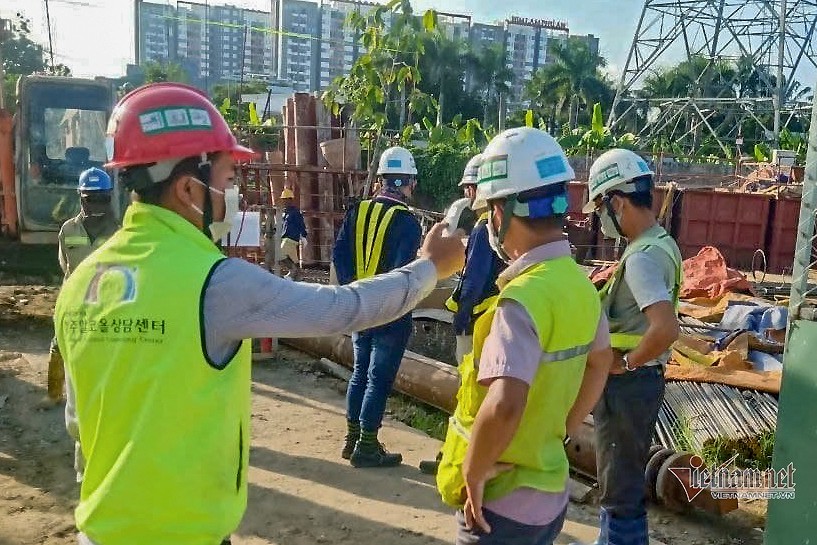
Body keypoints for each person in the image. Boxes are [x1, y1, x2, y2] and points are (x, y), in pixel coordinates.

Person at [54, 83, 465, 545]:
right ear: (189, 187)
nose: (235, 197)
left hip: (100, 528)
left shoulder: (81, 282)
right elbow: (343, 309)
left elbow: (79, 423)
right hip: (184, 531)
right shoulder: (215, 283)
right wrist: (430, 268)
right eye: (228, 181)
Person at [436, 127, 613, 545]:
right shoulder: (580, 285)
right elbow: (601, 360)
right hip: (550, 497)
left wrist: (473, 471)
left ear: (501, 214)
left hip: (501, 502)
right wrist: (565, 426)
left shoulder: (520, 299)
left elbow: (505, 403)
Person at [580, 148, 682, 545]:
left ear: (617, 202)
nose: (600, 220)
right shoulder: (661, 243)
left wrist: (629, 363)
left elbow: (665, 327)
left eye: (601, 209)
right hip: (642, 382)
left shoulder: (640, 258)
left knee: (619, 489)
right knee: (621, 482)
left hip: (629, 386)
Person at [332, 146, 424, 468]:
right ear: (407, 182)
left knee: (359, 374)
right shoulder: (408, 223)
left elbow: (339, 254)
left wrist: (353, 293)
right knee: (378, 378)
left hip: (360, 308)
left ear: (383, 180)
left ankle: (351, 439)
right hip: (390, 314)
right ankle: (368, 445)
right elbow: (404, 273)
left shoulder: (357, 212)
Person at [419, 154, 505, 476]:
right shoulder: (500, 228)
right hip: (493, 321)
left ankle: (455, 459)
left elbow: (472, 283)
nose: (466, 195)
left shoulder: (484, 230)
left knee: (467, 396)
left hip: (475, 323)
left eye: (469, 188)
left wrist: (461, 320)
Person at [47, 167, 119, 403]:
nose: (97, 205)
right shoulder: (68, 230)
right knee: (59, 344)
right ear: (80, 198)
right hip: (75, 298)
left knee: (107, 350)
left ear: (110, 197)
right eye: (91, 200)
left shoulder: (120, 234)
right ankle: (54, 395)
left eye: (102, 199)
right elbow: (64, 263)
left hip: (107, 302)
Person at [278, 187, 308, 279]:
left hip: (291, 237)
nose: (283, 202)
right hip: (285, 238)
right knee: (294, 258)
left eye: (285, 200)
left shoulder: (295, 212)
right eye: (283, 200)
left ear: (290, 200)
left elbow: (301, 224)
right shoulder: (285, 212)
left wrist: (304, 236)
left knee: (280, 253)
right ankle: (299, 276)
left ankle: (292, 271)